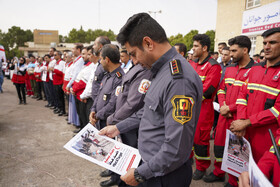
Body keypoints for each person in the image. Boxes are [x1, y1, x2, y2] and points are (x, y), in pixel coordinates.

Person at [99, 12, 202, 187]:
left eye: (134, 54)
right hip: (152, 166)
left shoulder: (178, 80)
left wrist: (140, 174)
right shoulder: (160, 71)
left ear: (148, 43)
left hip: (164, 175)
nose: (135, 61)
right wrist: (118, 128)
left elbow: (176, 148)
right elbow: (148, 112)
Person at [203, 35, 254, 187]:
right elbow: (221, 88)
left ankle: (234, 181)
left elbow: (248, 97)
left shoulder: (255, 70)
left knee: (237, 152)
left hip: (240, 117)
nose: (230, 54)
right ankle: (219, 173)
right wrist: (224, 105)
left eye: (233, 50)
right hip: (224, 114)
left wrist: (230, 108)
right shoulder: (230, 68)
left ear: (245, 50)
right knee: (219, 147)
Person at [100, 54, 153, 187]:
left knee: (129, 164)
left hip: (130, 124)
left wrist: (114, 119)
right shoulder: (135, 67)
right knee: (120, 159)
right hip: (122, 122)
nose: (132, 58)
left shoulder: (145, 71)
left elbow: (133, 104)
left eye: (134, 54)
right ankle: (117, 178)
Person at [230, 28, 280, 164]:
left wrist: (247, 122)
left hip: (266, 136)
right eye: (264, 43)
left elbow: (277, 111)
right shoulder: (255, 69)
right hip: (245, 130)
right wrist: (241, 120)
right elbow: (242, 96)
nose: (267, 47)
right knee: (239, 164)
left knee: (260, 172)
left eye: (273, 43)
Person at [189, 34, 221, 180]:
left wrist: (188, 95)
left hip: (203, 108)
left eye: (196, 46)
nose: (193, 49)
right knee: (187, 136)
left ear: (205, 48)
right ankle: (188, 160)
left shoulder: (214, 66)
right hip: (189, 106)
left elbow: (207, 91)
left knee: (200, 139)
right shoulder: (192, 63)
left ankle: (201, 167)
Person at [90, 44, 124, 130]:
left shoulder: (119, 78)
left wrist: (97, 116)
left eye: (101, 59)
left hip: (107, 124)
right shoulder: (107, 75)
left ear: (107, 60)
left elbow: (113, 104)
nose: (100, 62)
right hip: (98, 120)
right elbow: (99, 94)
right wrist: (93, 109)